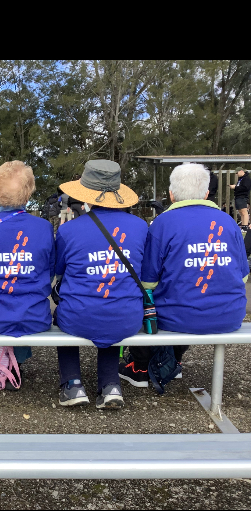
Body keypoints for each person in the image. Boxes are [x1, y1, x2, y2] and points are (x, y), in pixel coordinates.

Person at [120, 163, 249, 387]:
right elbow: (243, 277)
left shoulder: (163, 223)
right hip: (230, 315)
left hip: (179, 317)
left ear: (171, 194)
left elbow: (148, 281)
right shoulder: (228, 222)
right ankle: (173, 362)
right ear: (206, 193)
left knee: (142, 298)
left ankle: (140, 367)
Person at [55, 160, 148, 409]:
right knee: (113, 307)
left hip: (78, 317)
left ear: (86, 194)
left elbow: (59, 271)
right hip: (128, 317)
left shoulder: (68, 230)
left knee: (66, 313)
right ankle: (110, 384)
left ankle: (73, 384)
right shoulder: (141, 227)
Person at [0, 161, 55, 390]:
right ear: (29, 191)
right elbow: (49, 273)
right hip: (33, 316)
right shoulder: (44, 228)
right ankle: (15, 364)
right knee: (22, 306)